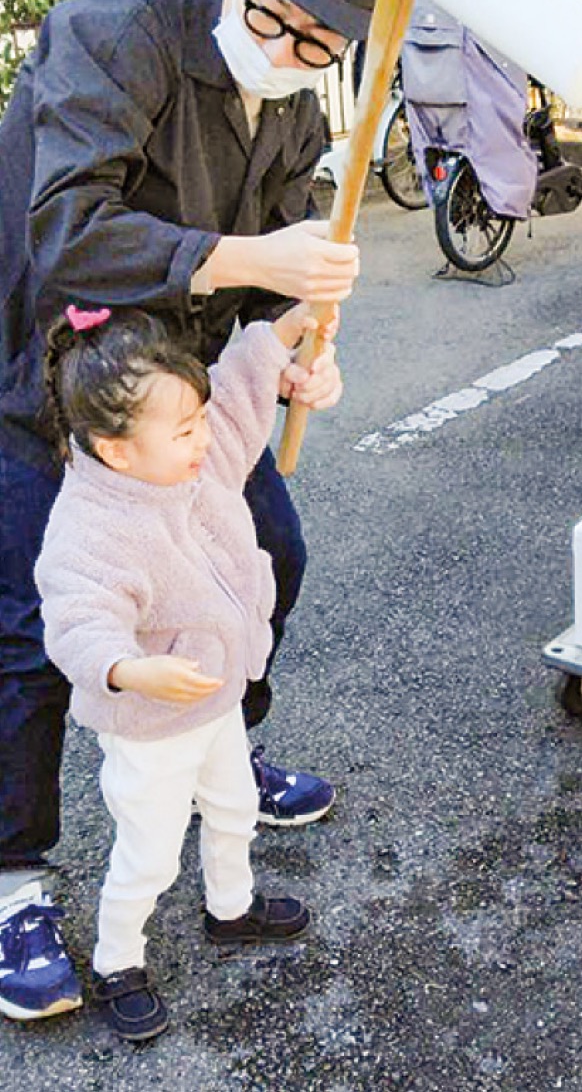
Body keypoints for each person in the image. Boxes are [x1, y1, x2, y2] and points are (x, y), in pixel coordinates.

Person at [0, 0, 377, 1021]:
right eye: (274, 14)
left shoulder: (302, 99)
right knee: (34, 635)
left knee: (271, 554)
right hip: (54, 387)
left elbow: (272, 287)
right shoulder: (120, 31)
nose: (289, 46)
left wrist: (296, 346)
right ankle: (14, 879)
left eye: (323, 42)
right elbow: (68, 231)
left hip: (192, 402)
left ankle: (215, 744)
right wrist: (251, 261)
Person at [34, 305, 325, 1040]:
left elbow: (235, 393)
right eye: (184, 429)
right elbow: (76, 620)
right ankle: (116, 962)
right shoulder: (91, 524)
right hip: (150, 728)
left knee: (232, 810)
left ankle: (233, 907)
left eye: (199, 421)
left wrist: (284, 329)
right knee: (149, 852)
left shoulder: (195, 462)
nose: (204, 437)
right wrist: (130, 670)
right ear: (116, 449)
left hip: (215, 700)